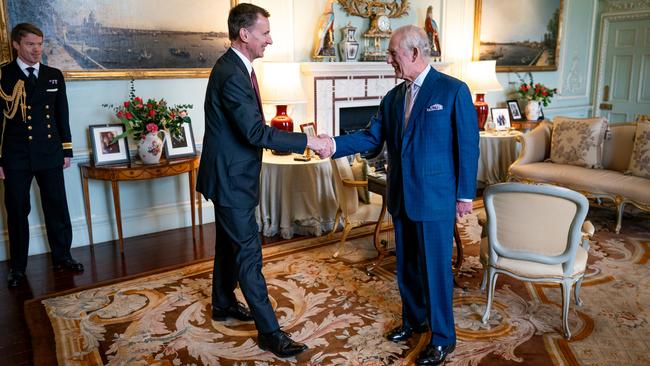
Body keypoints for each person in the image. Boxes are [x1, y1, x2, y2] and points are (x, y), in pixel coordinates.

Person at [317, 25, 479, 365]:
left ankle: (443, 339)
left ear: (415, 53)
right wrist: (331, 144)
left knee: (435, 269)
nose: (388, 59)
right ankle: (414, 321)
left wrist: (465, 195)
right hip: (402, 196)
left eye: (393, 54)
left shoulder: (453, 91)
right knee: (406, 266)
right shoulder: (393, 98)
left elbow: (468, 146)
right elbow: (370, 138)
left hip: (436, 198)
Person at [196, 3, 328, 359]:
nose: (270, 40)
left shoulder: (238, 69)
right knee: (248, 253)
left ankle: (223, 304)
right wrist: (309, 140)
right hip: (230, 179)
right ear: (245, 34)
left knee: (229, 244)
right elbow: (255, 132)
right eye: (265, 32)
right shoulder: (231, 74)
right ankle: (270, 333)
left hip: (231, 176)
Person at [0, 23, 84, 288]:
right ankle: (18, 267)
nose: (37, 50)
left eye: (40, 44)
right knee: (16, 211)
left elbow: (62, 116)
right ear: (16, 44)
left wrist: (67, 150)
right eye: (30, 44)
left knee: (57, 206)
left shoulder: (53, 75)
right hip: (16, 156)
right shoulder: (4, 76)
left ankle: (63, 256)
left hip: (49, 152)